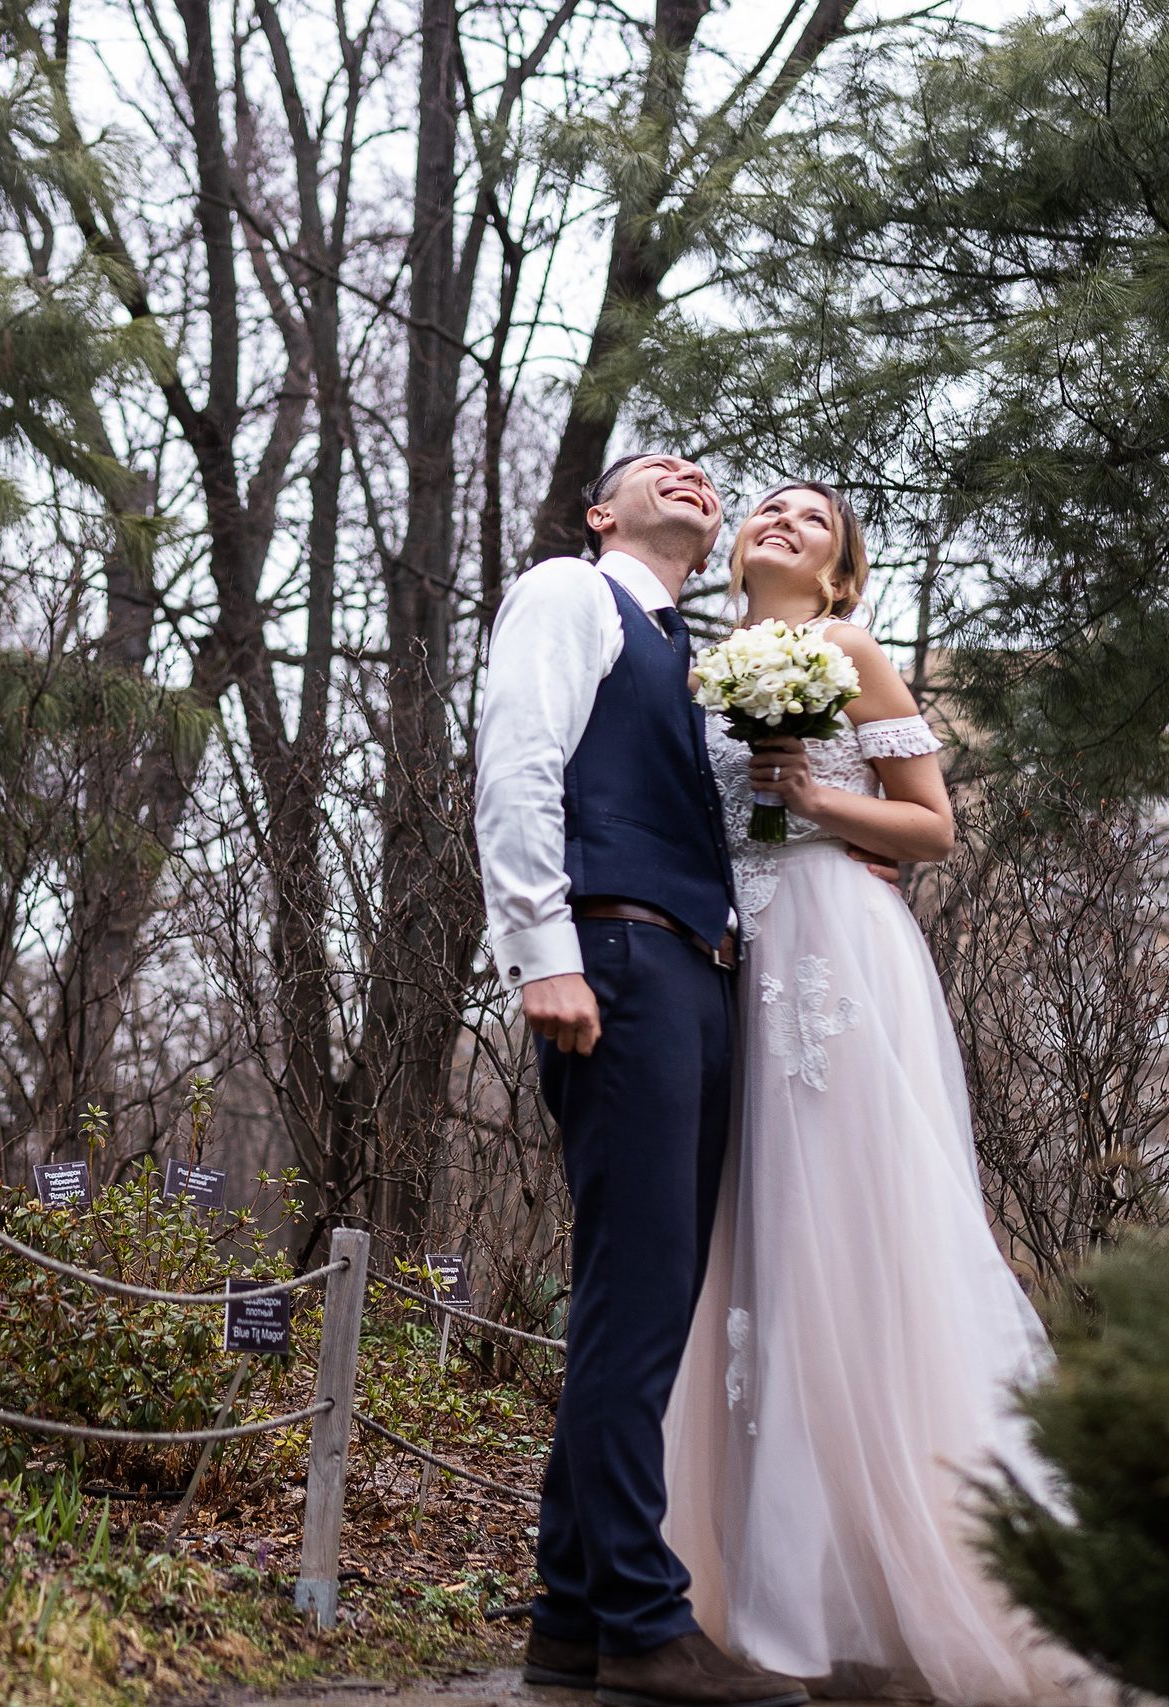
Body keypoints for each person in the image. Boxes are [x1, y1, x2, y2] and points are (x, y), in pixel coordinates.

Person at [660, 482, 1106, 1705]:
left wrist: (806, 796)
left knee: (850, 1231)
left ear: (842, 575)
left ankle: (897, 1580)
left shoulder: (847, 653)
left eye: (814, 519)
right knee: (746, 1245)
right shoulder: (699, 673)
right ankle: (750, 1590)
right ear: (734, 551)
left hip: (838, 959)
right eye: (766, 509)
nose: (782, 521)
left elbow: (934, 827)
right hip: (734, 965)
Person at [474, 452, 809, 1707]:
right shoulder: (571, 591)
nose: (695, 474)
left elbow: (737, 823)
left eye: (707, 472)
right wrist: (540, 951)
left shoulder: (702, 660)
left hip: (701, 971)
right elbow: (517, 761)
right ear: (602, 514)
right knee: (633, 1288)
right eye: (655, 468)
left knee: (653, 1293)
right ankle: (639, 1617)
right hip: (616, 953)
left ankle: (568, 1616)